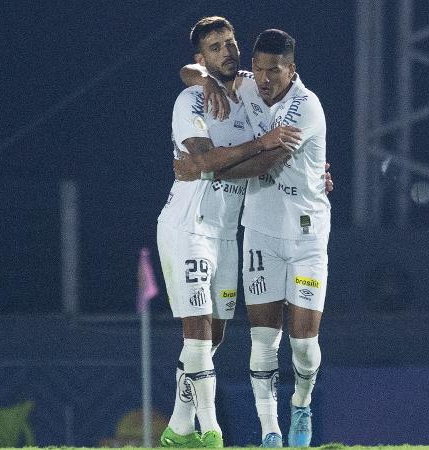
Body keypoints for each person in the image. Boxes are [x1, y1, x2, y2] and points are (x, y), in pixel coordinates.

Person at [177, 28, 331, 448]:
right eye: (259, 69)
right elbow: (189, 69)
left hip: (307, 237)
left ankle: (302, 402)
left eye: (274, 71)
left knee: (303, 345)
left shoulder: (305, 107)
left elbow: (267, 161)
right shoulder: (245, 85)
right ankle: (271, 432)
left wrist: (203, 168)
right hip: (260, 232)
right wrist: (208, 80)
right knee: (263, 339)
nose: (263, 79)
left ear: (292, 70)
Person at [157, 17, 302, 448]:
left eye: (231, 42)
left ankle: (178, 430)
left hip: (226, 234)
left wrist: (308, 169)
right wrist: (259, 145)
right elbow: (203, 156)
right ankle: (211, 431)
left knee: (212, 339)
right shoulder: (191, 100)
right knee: (197, 337)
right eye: (216, 47)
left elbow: (253, 164)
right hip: (189, 226)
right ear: (202, 58)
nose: (228, 51)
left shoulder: (249, 91)